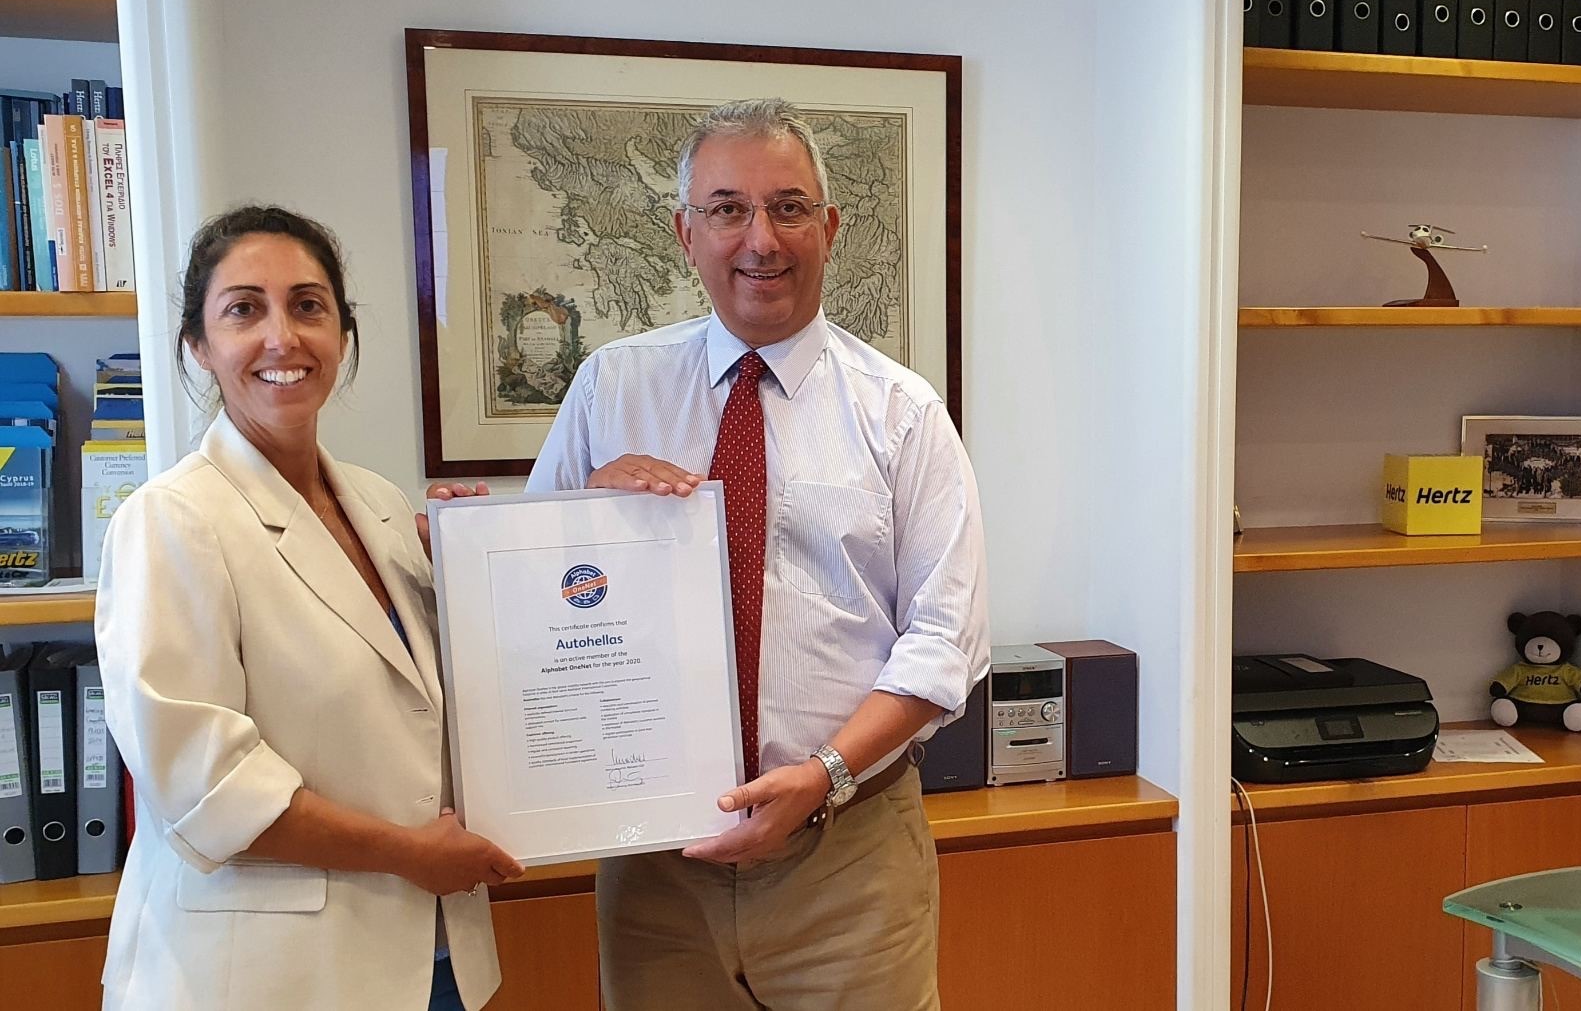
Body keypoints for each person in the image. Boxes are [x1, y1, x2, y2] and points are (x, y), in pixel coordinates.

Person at [525, 98, 990, 1010]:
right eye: (728, 209)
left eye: (788, 207)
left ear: (830, 227)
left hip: (849, 857)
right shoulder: (612, 389)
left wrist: (825, 777)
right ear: (684, 232)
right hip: (656, 866)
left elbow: (946, 640)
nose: (761, 239)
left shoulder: (902, 413)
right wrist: (587, 516)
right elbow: (534, 606)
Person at [95, 206, 520, 1011]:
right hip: (267, 976)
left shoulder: (381, 506)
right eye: (244, 309)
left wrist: (478, 578)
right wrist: (410, 853)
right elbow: (208, 790)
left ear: (342, 334)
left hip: (430, 956)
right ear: (199, 345)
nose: (282, 337)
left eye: (307, 305)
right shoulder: (171, 520)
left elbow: (418, 719)